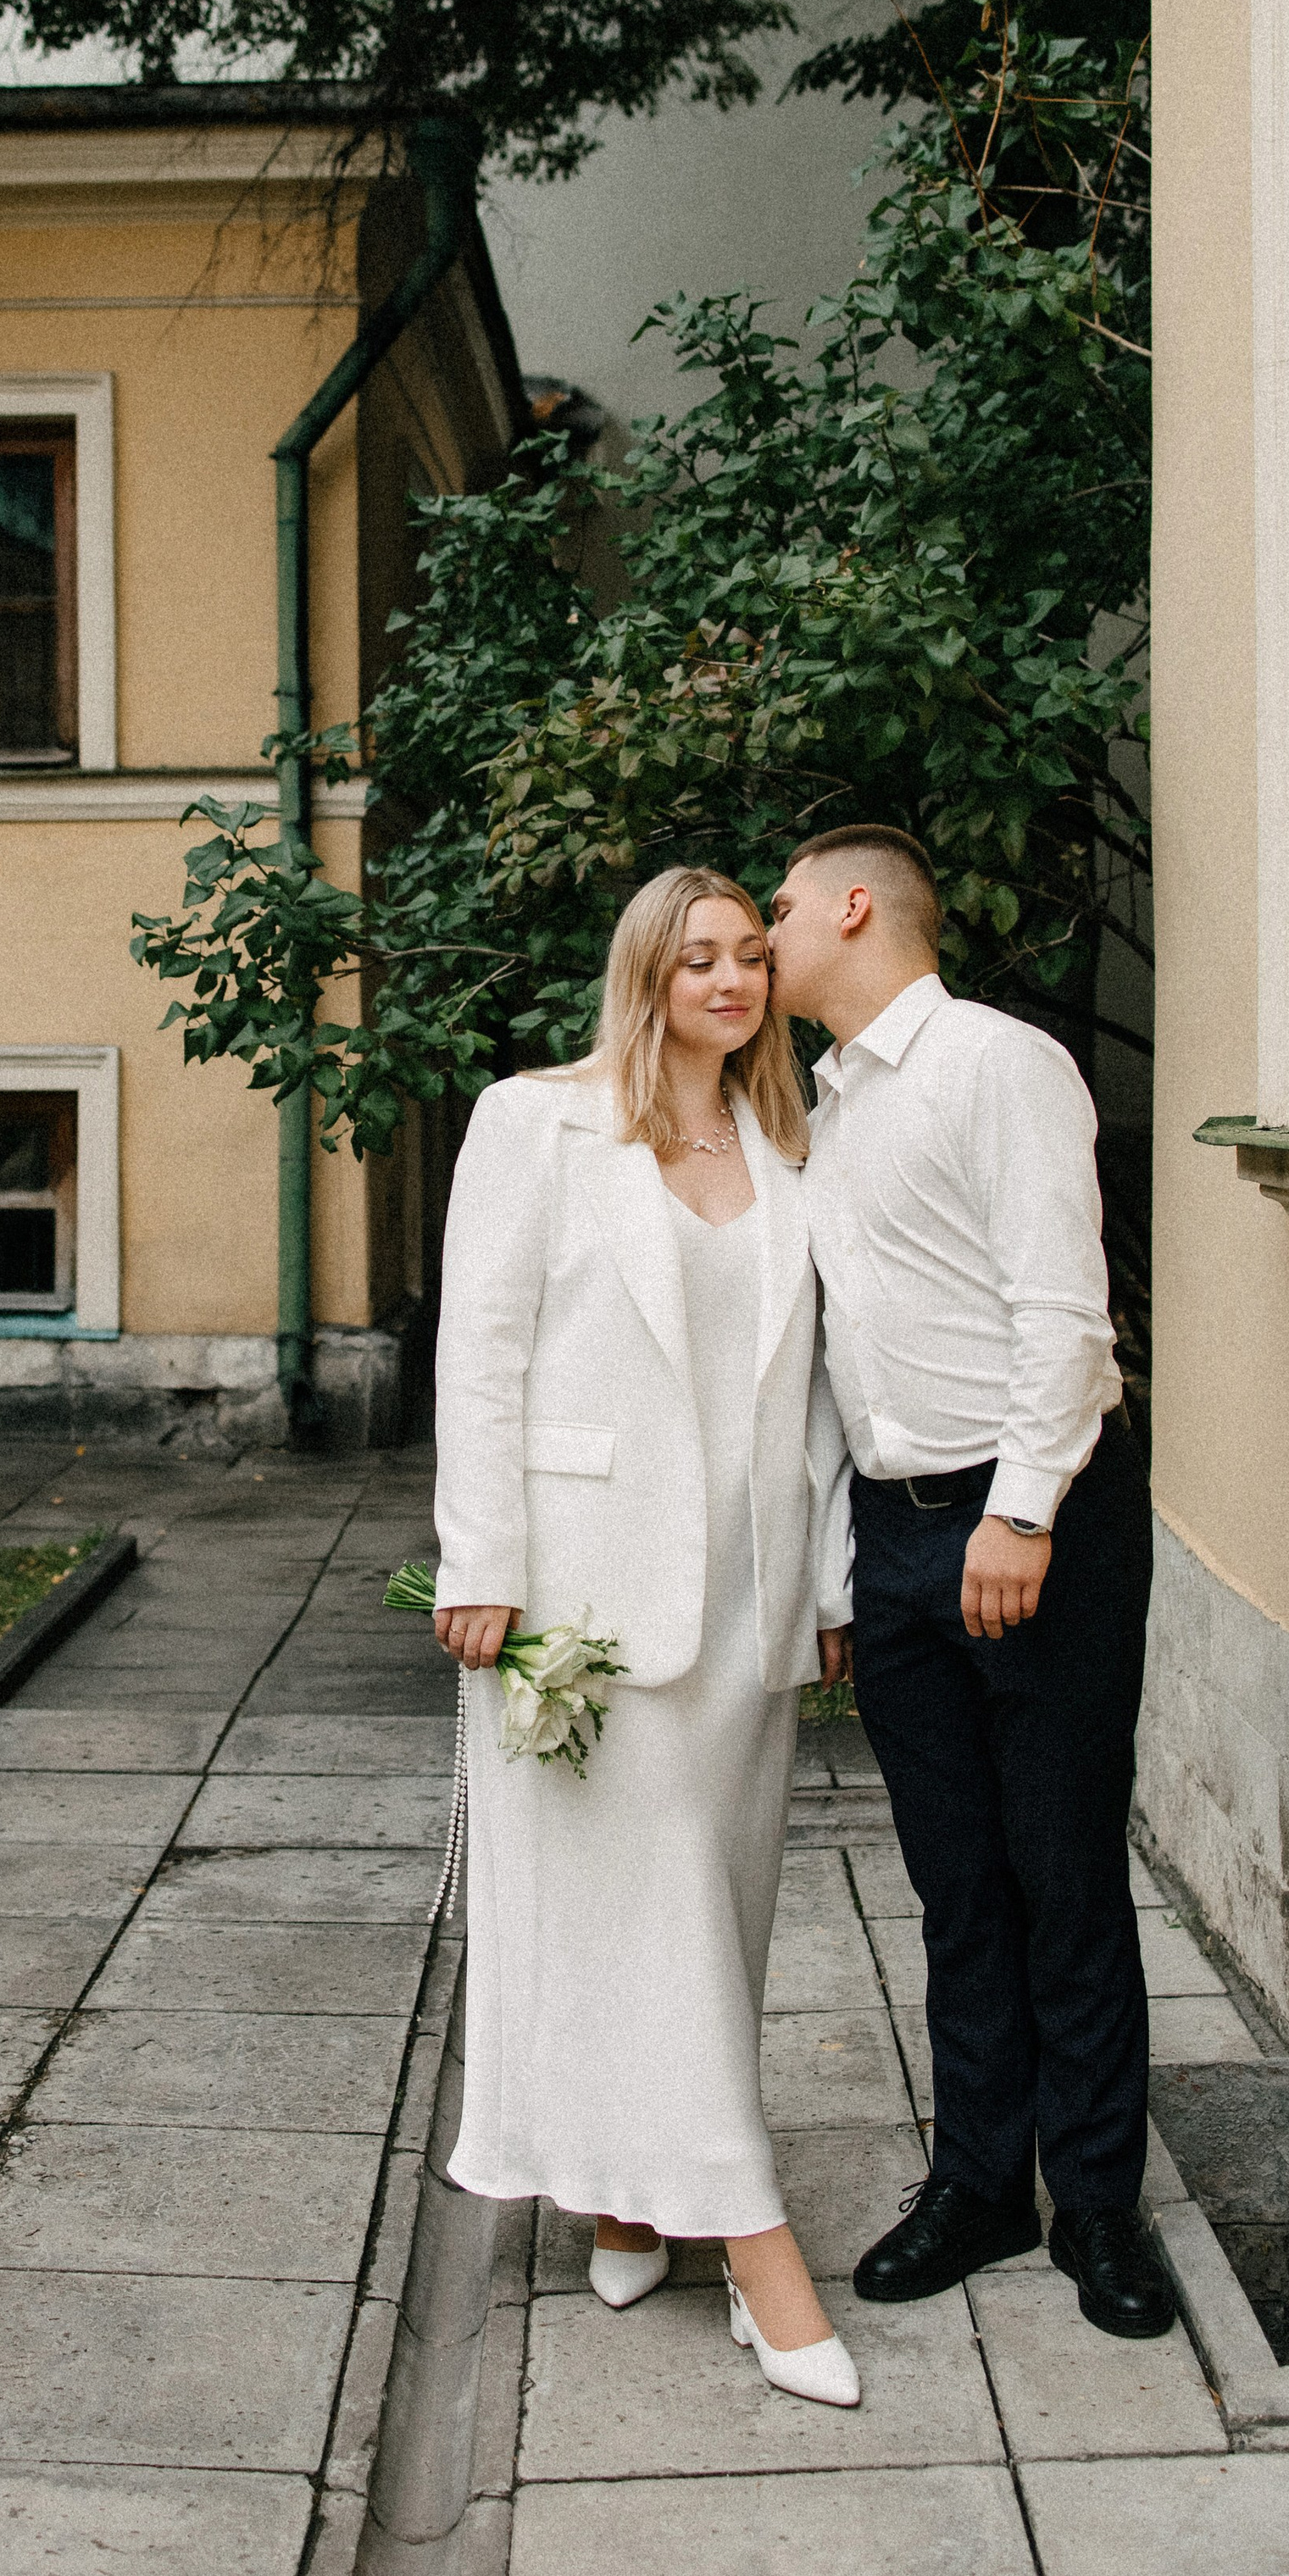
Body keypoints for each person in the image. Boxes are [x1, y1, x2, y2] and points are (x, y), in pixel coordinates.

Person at [431, 865, 861, 2407]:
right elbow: (477, 1347)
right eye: (701, 960)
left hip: (748, 1600)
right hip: (581, 1597)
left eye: (754, 956)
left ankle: (631, 2195)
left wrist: (827, 1594)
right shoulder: (535, 1123)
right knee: (652, 1902)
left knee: (710, 1912)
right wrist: (477, 1559)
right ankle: (757, 2244)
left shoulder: (789, 1144)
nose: (735, 981)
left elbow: (811, 1393)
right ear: (647, 975)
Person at [767, 824, 1174, 2341]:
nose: (768, 926)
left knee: (1063, 1870)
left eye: (786, 904)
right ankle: (982, 2185)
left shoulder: (995, 1065)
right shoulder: (825, 1105)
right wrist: (848, 1576)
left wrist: (1017, 1518)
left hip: (1038, 1517)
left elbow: (1065, 1313)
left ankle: (1104, 2208)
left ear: (857, 906)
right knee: (954, 1885)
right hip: (896, 1537)